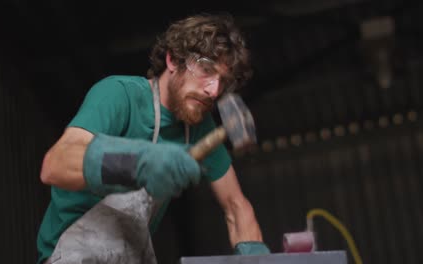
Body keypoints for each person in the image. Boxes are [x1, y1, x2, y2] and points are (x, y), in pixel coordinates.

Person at [36, 12, 270, 264]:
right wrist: (139, 163)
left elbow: (236, 207)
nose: (213, 91)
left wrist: (254, 257)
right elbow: (55, 165)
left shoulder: (201, 128)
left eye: (222, 81)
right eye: (206, 69)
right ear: (172, 60)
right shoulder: (119, 95)